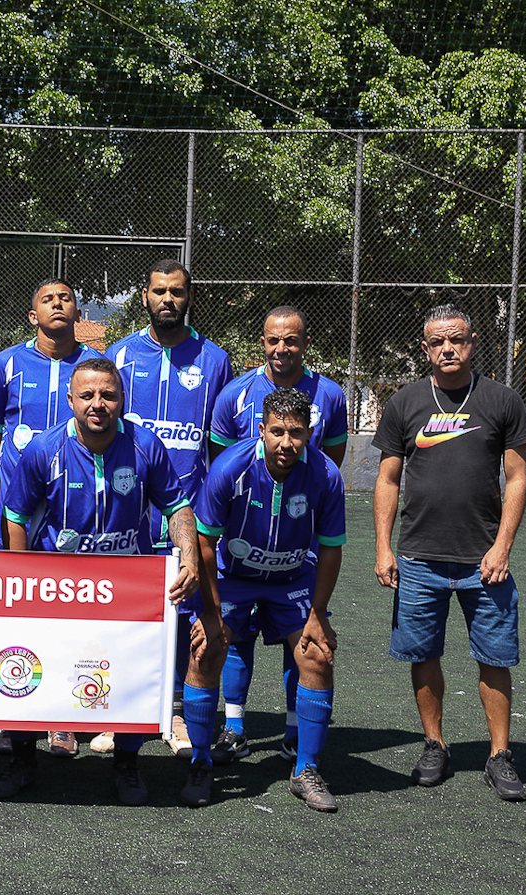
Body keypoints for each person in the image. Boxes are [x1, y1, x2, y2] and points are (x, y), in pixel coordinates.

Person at [0, 358, 218, 806]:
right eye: (88, 395)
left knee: (130, 673)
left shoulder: (145, 446)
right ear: (71, 400)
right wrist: (22, 579)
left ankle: (126, 763)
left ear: (122, 400)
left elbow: (177, 509)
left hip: (126, 585)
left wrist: (190, 559)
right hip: (58, 584)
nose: (98, 404)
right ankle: (22, 758)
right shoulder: (44, 450)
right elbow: (15, 515)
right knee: (30, 668)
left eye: (108, 395)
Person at [373, 304, 526, 802]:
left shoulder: (501, 400)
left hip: (484, 561)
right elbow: (387, 479)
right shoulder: (404, 402)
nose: (448, 348)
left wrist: (502, 546)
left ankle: (499, 755)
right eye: (438, 342)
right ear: (424, 348)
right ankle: (435, 745)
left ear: (472, 341)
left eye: (457, 340)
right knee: (423, 655)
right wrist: (384, 546)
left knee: (494, 657)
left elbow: (519, 478)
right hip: (419, 558)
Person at [208, 306, 349, 765]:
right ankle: (234, 728)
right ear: (262, 342)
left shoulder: (330, 395)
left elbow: (331, 463)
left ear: (305, 343)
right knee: (236, 635)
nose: (281, 349)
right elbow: (221, 465)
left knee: (306, 639)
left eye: (291, 341)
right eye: (273, 340)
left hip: (297, 543)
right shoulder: (235, 394)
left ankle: (294, 732)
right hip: (243, 540)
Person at [103, 260, 232, 758]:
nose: (168, 300)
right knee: (127, 613)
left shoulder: (215, 360)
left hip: (190, 514)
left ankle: (176, 708)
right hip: (128, 512)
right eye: (159, 291)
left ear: (189, 298)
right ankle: (118, 708)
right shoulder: (119, 354)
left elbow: (219, 445)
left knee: (185, 614)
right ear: (144, 296)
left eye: (177, 292)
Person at [196, 388, 345, 811]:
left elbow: (332, 547)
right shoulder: (230, 467)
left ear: (309, 434)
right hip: (234, 577)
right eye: (277, 431)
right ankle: (203, 762)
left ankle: (306, 770)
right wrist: (208, 611)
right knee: (206, 648)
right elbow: (205, 542)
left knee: (317, 654)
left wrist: (318, 615)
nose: (286, 442)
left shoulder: (325, 474)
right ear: (261, 430)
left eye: (296, 433)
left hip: (292, 578)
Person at [0, 277, 102, 758]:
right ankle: (10, 711)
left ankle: (64, 718)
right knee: (16, 609)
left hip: (76, 510)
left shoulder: (95, 369)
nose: (57, 305)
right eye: (47, 300)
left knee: (71, 614)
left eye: (66, 298)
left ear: (78, 312)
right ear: (33, 315)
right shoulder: (4, 364)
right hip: (16, 507)